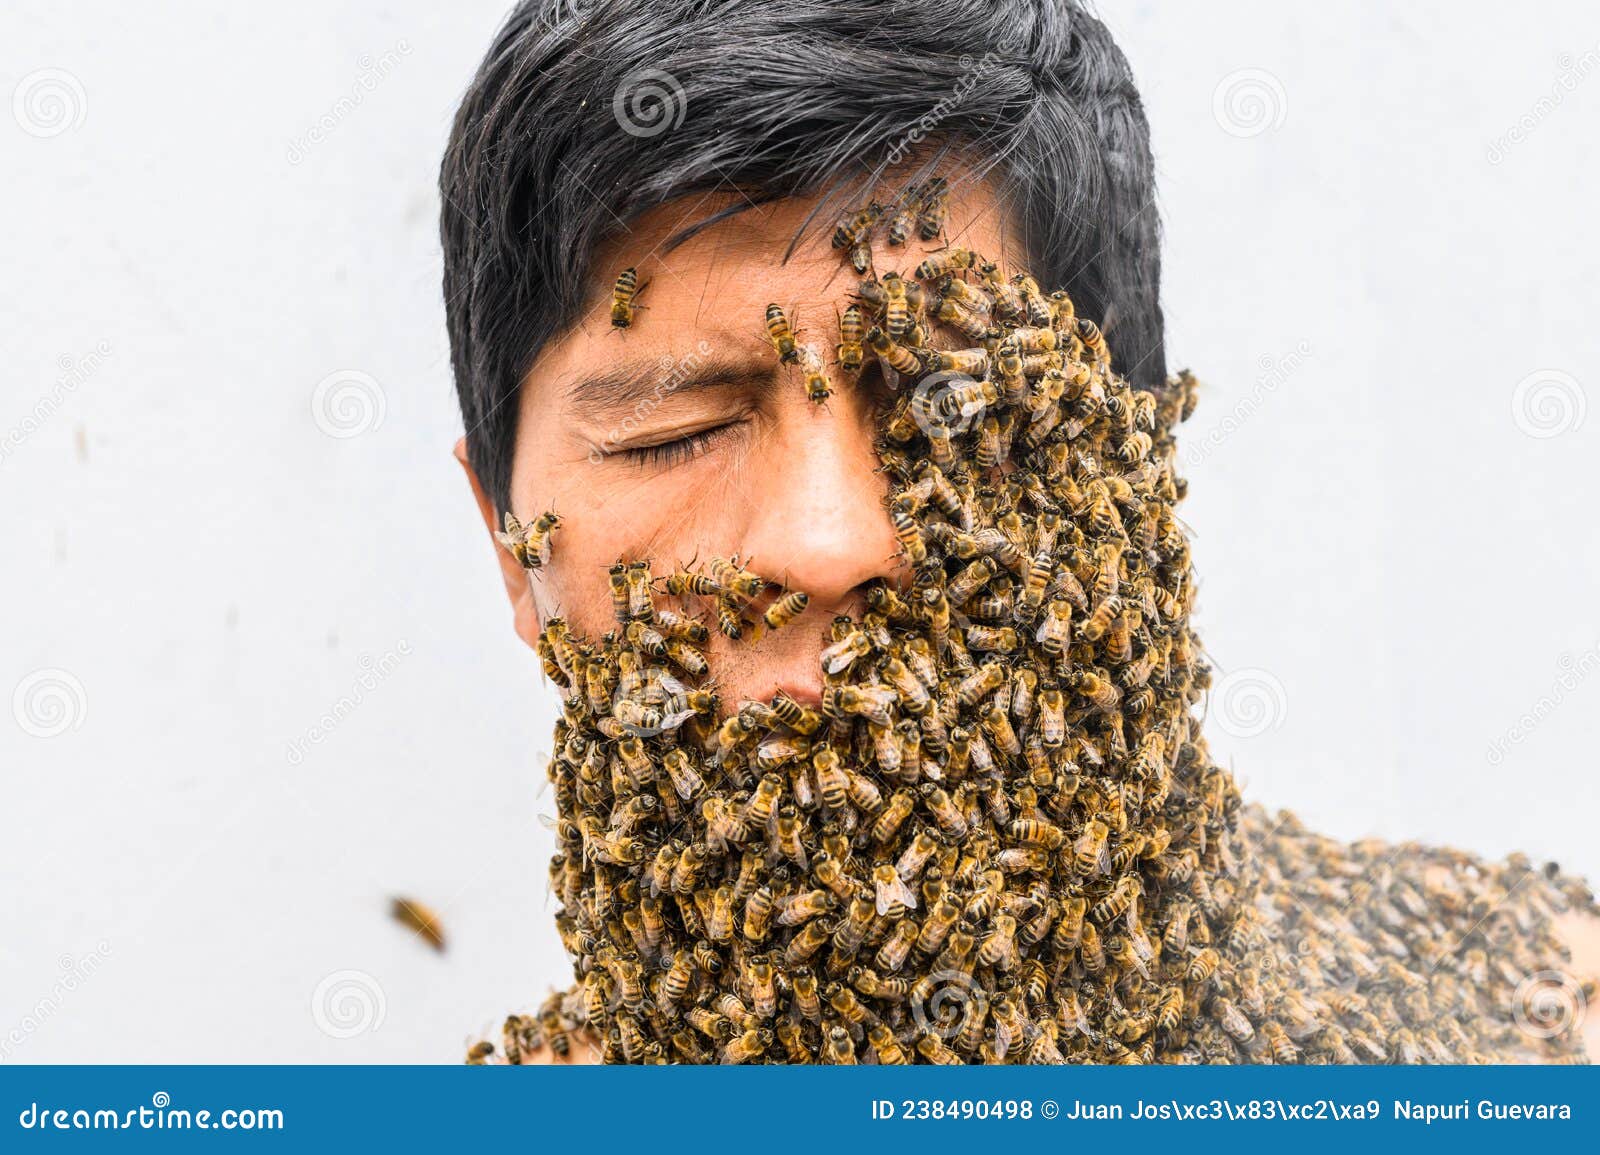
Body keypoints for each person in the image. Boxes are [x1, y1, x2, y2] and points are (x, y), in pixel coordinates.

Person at [440, 0, 1599, 1063]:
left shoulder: (1552, 1025)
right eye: (672, 434)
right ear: (510, 552)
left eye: (956, 405)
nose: (830, 543)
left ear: (1134, 486)